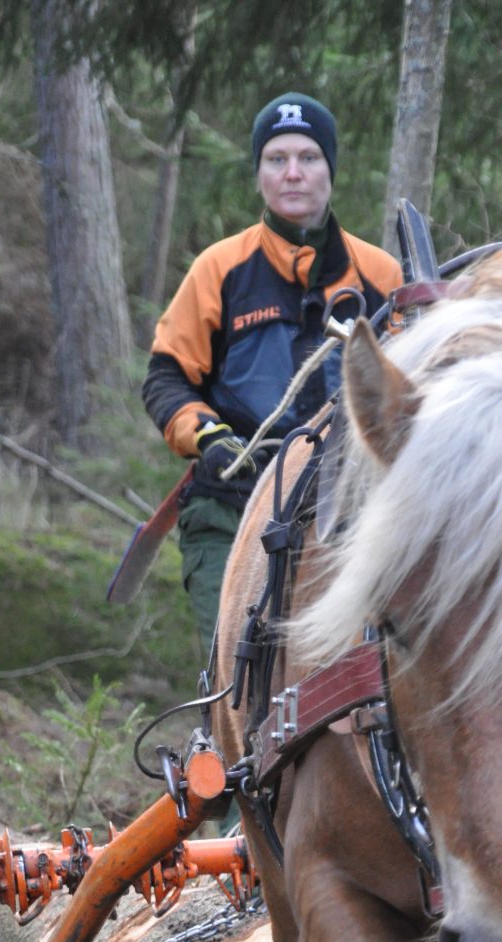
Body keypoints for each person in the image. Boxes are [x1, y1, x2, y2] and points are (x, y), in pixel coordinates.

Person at [143, 93, 403, 645]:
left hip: (349, 513)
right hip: (231, 509)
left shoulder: (379, 274)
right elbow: (166, 377)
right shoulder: (220, 267)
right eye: (276, 159)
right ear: (259, 171)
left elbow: (409, 392)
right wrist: (207, 435)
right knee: (236, 670)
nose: (292, 174)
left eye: (308, 158)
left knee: (352, 677)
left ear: (330, 168)